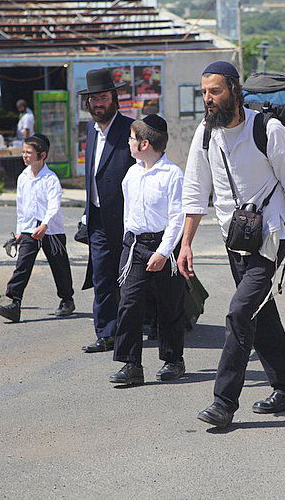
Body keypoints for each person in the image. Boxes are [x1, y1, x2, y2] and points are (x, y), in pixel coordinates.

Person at [179, 61, 285, 428]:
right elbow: (195, 192)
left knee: (239, 312)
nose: (208, 99)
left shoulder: (268, 129)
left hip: (271, 235)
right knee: (260, 313)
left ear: (233, 88)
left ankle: (223, 401)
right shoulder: (205, 134)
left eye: (215, 91)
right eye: (204, 93)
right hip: (235, 238)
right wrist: (186, 244)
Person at [109, 114, 187, 385]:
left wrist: (164, 252)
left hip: (164, 248)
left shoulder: (173, 174)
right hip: (134, 247)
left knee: (169, 305)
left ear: (144, 144)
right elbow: (128, 211)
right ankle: (131, 364)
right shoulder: (131, 173)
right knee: (129, 303)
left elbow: (178, 217)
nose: (128, 143)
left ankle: (173, 360)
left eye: (131, 138)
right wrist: (127, 240)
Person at [79, 68, 135, 353]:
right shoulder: (91, 130)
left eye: (102, 97)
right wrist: (86, 214)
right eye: (93, 99)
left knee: (132, 278)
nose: (98, 103)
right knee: (102, 276)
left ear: (114, 98)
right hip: (99, 218)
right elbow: (92, 175)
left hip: (128, 220)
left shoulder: (131, 130)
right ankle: (107, 333)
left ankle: (149, 324)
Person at [0, 134, 74, 323]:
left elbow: (54, 205)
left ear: (42, 155)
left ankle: (67, 300)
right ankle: (15, 302)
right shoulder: (23, 177)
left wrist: (45, 225)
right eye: (23, 152)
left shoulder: (50, 179)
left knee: (59, 265)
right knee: (22, 264)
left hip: (51, 230)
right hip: (30, 229)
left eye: (29, 152)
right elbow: (21, 206)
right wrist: (20, 230)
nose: (25, 156)